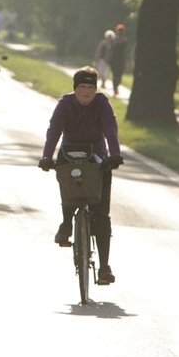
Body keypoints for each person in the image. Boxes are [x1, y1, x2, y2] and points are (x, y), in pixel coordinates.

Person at [38, 66, 124, 285]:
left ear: (95, 89)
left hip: (97, 157)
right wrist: (47, 156)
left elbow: (110, 129)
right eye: (82, 87)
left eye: (90, 87)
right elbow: (54, 130)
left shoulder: (102, 103)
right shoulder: (65, 105)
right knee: (68, 189)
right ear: (75, 89)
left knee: (101, 213)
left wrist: (115, 154)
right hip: (70, 154)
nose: (86, 91)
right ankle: (66, 223)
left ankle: (104, 267)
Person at [109, 24, 128, 96]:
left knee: (119, 76)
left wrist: (126, 61)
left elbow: (126, 52)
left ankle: (117, 86)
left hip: (121, 61)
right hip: (113, 61)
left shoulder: (125, 41)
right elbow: (110, 50)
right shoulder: (114, 41)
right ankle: (115, 89)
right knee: (114, 75)